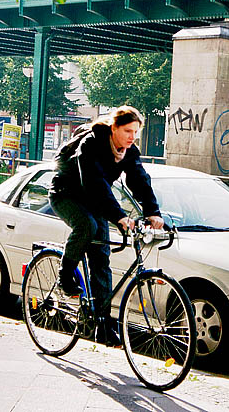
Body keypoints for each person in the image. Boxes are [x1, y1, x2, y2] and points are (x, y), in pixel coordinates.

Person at [49, 106, 164, 347]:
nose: (132, 137)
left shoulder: (129, 152)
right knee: (87, 227)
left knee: (101, 260)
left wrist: (152, 212)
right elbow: (94, 183)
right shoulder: (91, 144)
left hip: (95, 200)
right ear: (114, 128)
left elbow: (139, 181)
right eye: (127, 131)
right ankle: (65, 273)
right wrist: (119, 216)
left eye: (136, 132)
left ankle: (102, 325)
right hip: (66, 194)